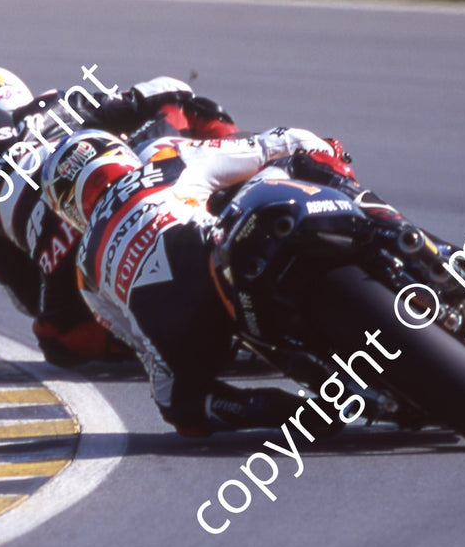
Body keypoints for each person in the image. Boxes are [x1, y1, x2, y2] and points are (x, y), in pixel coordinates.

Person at [39, 123, 356, 435]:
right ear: (118, 153)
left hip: (184, 340)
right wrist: (327, 152)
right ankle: (374, 224)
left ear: (68, 208)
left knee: (179, 409)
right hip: (220, 264)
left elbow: (136, 343)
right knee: (293, 164)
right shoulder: (166, 165)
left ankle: (277, 410)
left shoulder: (85, 273)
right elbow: (267, 145)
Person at [0, 66, 238, 367]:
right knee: (180, 110)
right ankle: (238, 169)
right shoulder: (55, 104)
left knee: (54, 338)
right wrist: (173, 108)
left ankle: (145, 345)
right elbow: (157, 95)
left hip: (75, 242)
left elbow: (27, 298)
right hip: (139, 181)